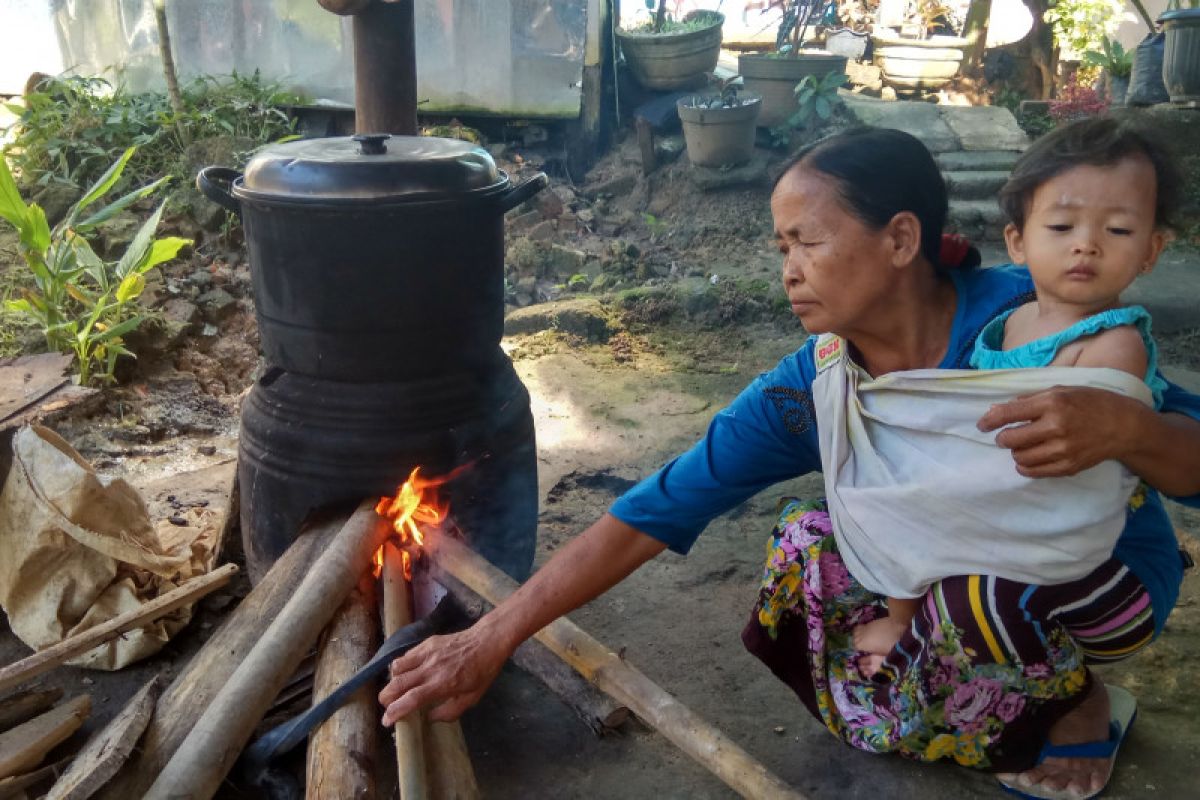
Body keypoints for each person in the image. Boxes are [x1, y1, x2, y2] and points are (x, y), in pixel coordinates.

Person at [379, 126, 1200, 800]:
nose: (789, 269)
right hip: (950, 587)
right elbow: (658, 507)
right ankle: (979, 700)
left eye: (808, 239)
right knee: (805, 551)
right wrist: (489, 638)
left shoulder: (1039, 322)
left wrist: (1126, 431)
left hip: (1092, 578)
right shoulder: (816, 382)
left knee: (967, 607)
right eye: (782, 246)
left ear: (901, 240)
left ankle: (1073, 697)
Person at [851, 118, 1178, 676]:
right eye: (1061, 226)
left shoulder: (1115, 345)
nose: (1086, 244)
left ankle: (1073, 705)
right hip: (1006, 532)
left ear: (1151, 250)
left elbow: (1040, 486)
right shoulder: (1006, 326)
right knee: (876, 510)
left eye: (1118, 231)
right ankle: (908, 625)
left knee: (965, 591)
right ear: (1017, 242)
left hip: (1081, 566)